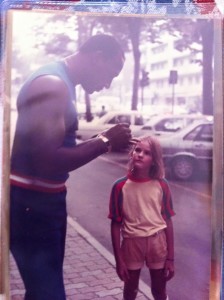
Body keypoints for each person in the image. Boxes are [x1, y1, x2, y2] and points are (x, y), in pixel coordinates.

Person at [10, 34, 132, 300]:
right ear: (98, 57)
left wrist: (99, 141)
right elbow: (46, 161)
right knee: (49, 293)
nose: (107, 84)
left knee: (42, 289)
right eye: (110, 74)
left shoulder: (61, 81)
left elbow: (52, 144)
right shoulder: (53, 85)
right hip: (34, 206)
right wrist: (104, 141)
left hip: (41, 203)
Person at [108, 135, 175, 300]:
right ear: (132, 153)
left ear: (154, 160)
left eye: (147, 153)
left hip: (157, 242)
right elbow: (116, 225)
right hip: (132, 243)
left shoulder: (162, 185)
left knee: (158, 291)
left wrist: (171, 258)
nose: (140, 154)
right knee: (130, 291)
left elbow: (167, 221)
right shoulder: (119, 186)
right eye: (137, 150)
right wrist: (119, 260)